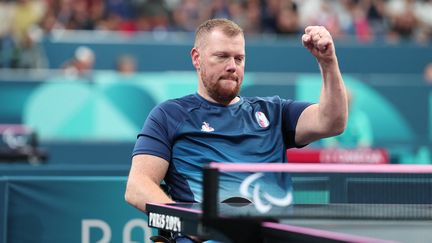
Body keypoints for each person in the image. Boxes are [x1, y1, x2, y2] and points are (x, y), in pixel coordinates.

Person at [125, 18, 347, 242]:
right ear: (197, 58)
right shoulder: (169, 115)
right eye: (221, 56)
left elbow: (332, 122)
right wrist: (191, 223)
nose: (232, 65)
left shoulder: (274, 112)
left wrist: (327, 61)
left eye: (239, 58)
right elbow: (137, 187)